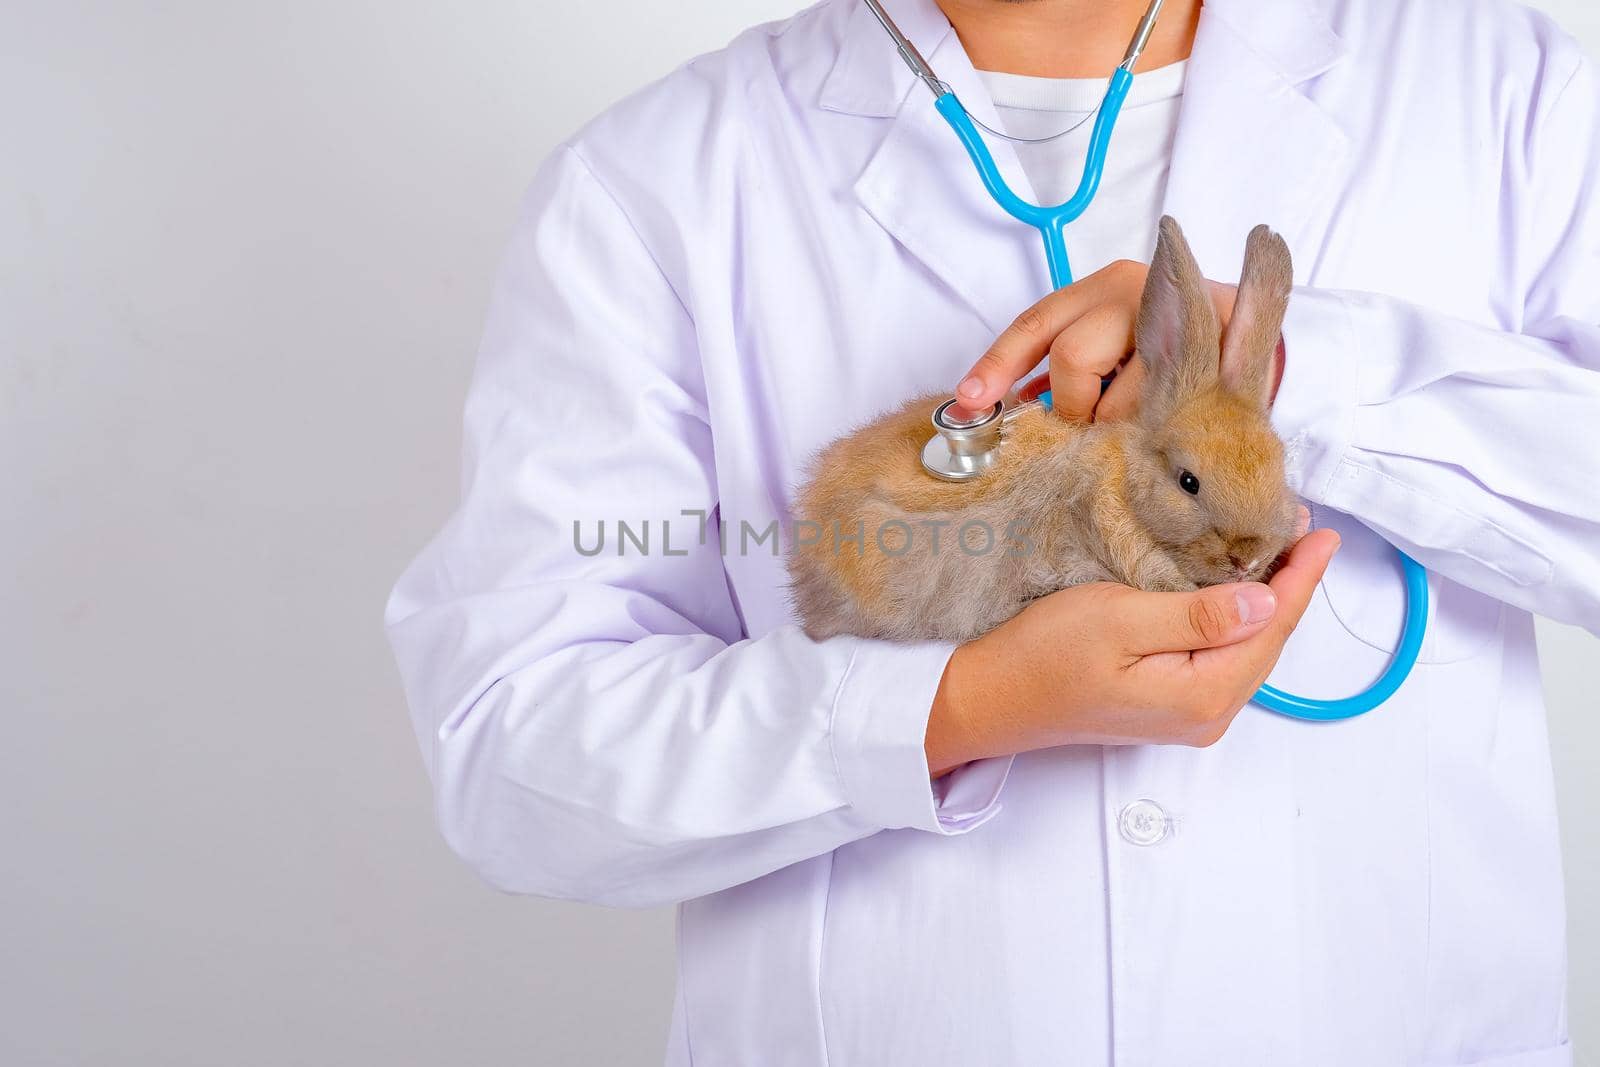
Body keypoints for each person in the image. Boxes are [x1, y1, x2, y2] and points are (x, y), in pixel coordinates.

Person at [385, 0, 1600, 1062]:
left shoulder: (1509, 94)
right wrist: (952, 709)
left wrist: (1289, 374)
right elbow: (514, 750)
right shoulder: (656, 184)